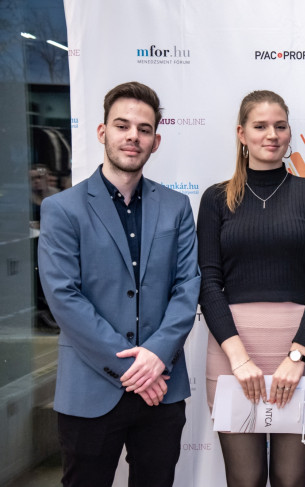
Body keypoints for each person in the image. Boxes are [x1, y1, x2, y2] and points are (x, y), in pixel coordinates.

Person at [38, 81, 200, 486]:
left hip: (162, 386)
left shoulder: (177, 207)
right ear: (102, 132)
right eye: (122, 125)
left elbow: (187, 286)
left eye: (144, 129)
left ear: (155, 141)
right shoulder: (62, 208)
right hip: (91, 387)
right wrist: (134, 369)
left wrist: (157, 355)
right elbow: (63, 296)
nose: (133, 136)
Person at [197, 90, 305, 487]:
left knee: (291, 480)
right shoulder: (215, 199)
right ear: (241, 134)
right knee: (245, 480)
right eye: (260, 126)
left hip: (301, 352)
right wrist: (238, 358)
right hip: (232, 353)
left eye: (280, 126)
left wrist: (297, 355)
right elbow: (207, 282)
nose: (272, 135)